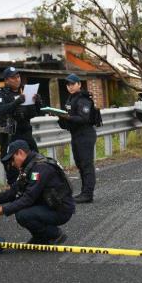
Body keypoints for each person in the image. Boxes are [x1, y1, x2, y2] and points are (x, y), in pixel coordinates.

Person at [0, 140, 75, 244]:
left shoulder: (40, 168)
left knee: (23, 214)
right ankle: (40, 237)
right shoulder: (29, 166)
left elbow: (28, 198)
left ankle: (54, 234)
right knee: (21, 208)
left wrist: (3, 210)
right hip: (48, 205)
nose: (12, 164)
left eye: (12, 159)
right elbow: (13, 192)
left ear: (20, 153)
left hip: (60, 210)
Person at [0, 66, 42, 184]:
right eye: (13, 78)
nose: (17, 79)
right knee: (12, 165)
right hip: (10, 135)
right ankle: (15, 190)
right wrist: (17, 102)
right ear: (6, 80)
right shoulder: (1, 93)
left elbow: (35, 113)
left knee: (36, 162)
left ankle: (34, 186)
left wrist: (38, 102)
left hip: (26, 132)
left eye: (18, 76)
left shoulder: (25, 92)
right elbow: (1, 110)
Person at [57, 74, 97, 203]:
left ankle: (88, 194)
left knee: (86, 165)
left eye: (73, 84)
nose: (70, 87)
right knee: (80, 164)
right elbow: (67, 122)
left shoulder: (83, 99)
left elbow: (83, 118)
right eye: (68, 85)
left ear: (79, 84)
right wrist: (60, 117)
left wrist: (68, 117)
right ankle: (84, 192)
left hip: (85, 135)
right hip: (75, 135)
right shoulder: (70, 99)